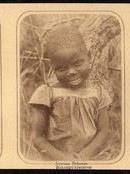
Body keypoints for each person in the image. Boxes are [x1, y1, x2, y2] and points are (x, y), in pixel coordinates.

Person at [29, 26, 112, 160]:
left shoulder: (99, 93)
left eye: (77, 63)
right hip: (57, 160)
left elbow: (103, 132)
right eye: (61, 68)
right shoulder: (46, 93)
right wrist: (63, 158)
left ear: (89, 57)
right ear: (53, 68)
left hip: (94, 158)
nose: (71, 72)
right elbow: (38, 138)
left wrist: (85, 155)